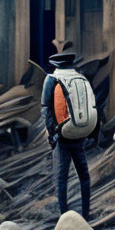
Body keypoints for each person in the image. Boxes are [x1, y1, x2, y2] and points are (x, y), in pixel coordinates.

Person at [41, 53, 95, 220]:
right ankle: (86, 214)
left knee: (61, 179)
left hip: (62, 136)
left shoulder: (52, 79)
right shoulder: (81, 78)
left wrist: (52, 134)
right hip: (79, 135)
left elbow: (45, 109)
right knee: (84, 176)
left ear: (55, 64)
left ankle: (64, 217)